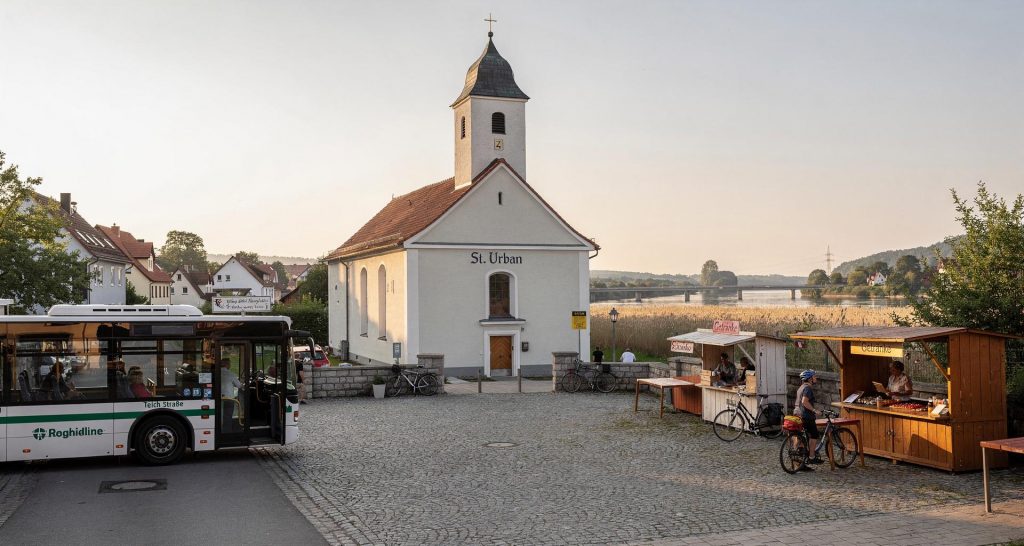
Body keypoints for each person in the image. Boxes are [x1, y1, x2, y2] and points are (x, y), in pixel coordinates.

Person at [795, 369, 823, 467]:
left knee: (801, 437)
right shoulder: (808, 388)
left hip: (797, 414)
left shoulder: (801, 387)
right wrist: (814, 410)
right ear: (810, 379)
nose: (816, 378)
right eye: (814, 377)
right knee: (814, 434)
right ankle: (811, 457)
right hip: (806, 415)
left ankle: (801, 463)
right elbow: (804, 402)